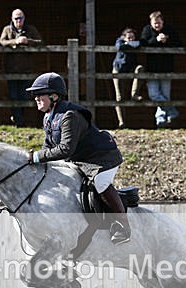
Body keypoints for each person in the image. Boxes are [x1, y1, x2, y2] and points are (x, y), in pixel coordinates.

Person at [25, 72, 131, 245]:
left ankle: (122, 226)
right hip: (81, 158)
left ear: (54, 96)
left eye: (39, 94)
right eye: (34, 95)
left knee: (100, 182)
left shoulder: (69, 116)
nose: (35, 98)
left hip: (102, 158)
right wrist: (37, 160)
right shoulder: (48, 117)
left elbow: (65, 149)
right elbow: (48, 145)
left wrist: (37, 156)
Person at [0, 8, 43, 127]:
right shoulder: (7, 30)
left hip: (26, 69)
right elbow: (2, 41)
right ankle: (18, 121)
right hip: (11, 69)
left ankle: (22, 120)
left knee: (25, 96)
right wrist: (15, 41)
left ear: (24, 19)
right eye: (16, 18)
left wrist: (27, 41)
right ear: (12, 19)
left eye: (21, 18)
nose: (19, 20)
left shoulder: (30, 29)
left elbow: (39, 41)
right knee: (13, 96)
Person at [140, 11, 181, 128]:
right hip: (152, 69)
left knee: (165, 95)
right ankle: (172, 111)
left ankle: (161, 121)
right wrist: (156, 40)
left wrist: (166, 40)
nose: (157, 25)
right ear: (151, 22)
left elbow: (178, 43)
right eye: (155, 23)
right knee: (154, 95)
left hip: (166, 68)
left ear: (162, 22)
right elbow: (143, 44)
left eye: (159, 23)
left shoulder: (170, 30)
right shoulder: (147, 30)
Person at [111, 27, 144, 129]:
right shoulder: (120, 41)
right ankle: (121, 122)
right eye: (129, 37)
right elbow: (119, 47)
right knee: (119, 97)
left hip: (130, 67)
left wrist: (134, 44)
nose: (131, 39)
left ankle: (134, 94)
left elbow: (141, 44)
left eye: (133, 37)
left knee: (140, 69)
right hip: (118, 69)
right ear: (124, 37)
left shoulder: (135, 43)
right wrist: (128, 44)